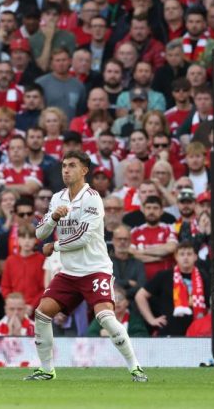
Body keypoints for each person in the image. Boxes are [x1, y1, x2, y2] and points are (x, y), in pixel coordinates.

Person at [26, 151, 147, 382]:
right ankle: (46, 370)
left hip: (95, 270)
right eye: (64, 165)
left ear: (84, 170)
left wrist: (55, 246)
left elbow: (84, 237)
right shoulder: (57, 198)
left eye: (72, 165)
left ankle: (136, 368)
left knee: (106, 317)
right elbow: (39, 232)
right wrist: (53, 218)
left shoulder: (92, 198)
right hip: (69, 272)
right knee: (42, 313)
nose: (66, 170)